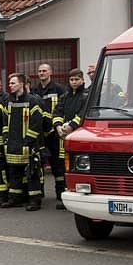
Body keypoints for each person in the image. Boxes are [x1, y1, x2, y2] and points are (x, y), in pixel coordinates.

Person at [1, 73, 44, 211]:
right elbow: (5, 121)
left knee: (32, 173)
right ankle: (15, 199)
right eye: (10, 83)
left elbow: (37, 123)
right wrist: (6, 136)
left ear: (21, 84)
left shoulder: (32, 101)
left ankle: (35, 201)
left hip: (28, 145)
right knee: (14, 172)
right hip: (13, 144)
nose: (10, 85)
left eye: (13, 83)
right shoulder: (8, 101)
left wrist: (28, 141)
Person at [53, 68, 88, 210]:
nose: (74, 82)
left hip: (78, 135)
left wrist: (72, 125)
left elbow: (83, 113)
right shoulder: (66, 96)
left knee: (76, 167)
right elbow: (57, 111)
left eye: (76, 79)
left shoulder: (86, 95)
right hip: (64, 136)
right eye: (71, 80)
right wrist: (58, 126)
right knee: (63, 167)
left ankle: (77, 197)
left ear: (82, 80)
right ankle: (65, 196)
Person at [32, 64, 65, 205]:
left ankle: (60, 194)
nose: (41, 73)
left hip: (53, 133)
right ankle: (39, 193)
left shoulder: (59, 89)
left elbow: (62, 109)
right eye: (39, 71)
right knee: (37, 164)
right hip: (39, 134)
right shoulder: (35, 90)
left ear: (50, 72)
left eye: (44, 71)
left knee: (57, 164)